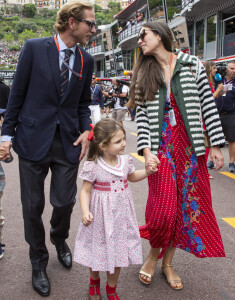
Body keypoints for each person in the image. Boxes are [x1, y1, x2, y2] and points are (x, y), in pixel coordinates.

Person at [0, 0, 96, 296]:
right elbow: (16, 94)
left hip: (67, 140)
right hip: (31, 138)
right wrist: (6, 134)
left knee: (65, 202)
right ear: (72, 22)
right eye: (90, 23)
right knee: (32, 206)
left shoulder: (86, 60)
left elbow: (82, 105)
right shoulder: (33, 48)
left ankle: (58, 237)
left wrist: (87, 130)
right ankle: (38, 259)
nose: (94, 29)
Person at [129, 22, 226, 290]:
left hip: (189, 146)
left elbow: (208, 105)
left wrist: (215, 144)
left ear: (159, 36)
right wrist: (147, 152)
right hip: (160, 149)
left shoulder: (191, 64)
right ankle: (152, 255)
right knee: (162, 210)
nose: (140, 41)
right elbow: (144, 119)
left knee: (184, 208)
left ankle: (168, 263)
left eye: (143, 36)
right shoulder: (143, 73)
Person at [74, 119, 157, 300]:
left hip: (121, 215)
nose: (124, 144)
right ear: (103, 145)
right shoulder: (93, 164)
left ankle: (112, 288)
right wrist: (84, 211)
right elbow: (85, 190)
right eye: (118, 141)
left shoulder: (125, 160)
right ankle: (94, 281)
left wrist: (148, 172)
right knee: (98, 249)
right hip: (100, 215)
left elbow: (132, 176)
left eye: (124, 139)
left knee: (119, 251)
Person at [214, 61, 235, 172]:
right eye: (231, 68)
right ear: (226, 69)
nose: (233, 71)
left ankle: (232, 162)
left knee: (232, 139)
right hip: (217, 114)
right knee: (213, 139)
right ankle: (212, 160)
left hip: (231, 114)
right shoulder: (218, 80)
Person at [203, 61, 225, 174]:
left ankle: (204, 169)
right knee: (206, 143)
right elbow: (208, 99)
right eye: (214, 68)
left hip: (211, 115)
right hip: (205, 117)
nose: (216, 70)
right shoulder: (205, 82)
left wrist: (220, 92)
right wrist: (217, 90)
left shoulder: (211, 83)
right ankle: (203, 170)